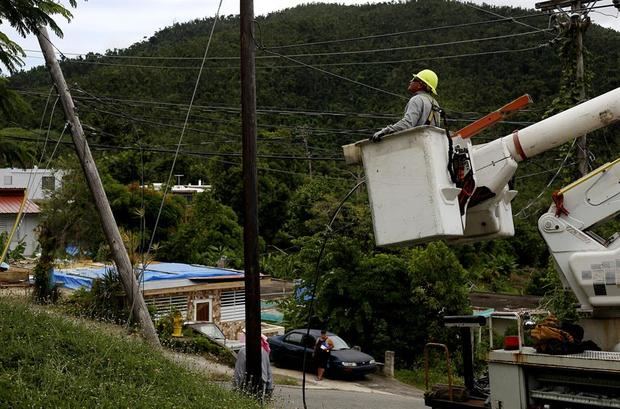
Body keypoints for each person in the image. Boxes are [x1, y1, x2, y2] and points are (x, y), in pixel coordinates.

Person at [370, 69, 441, 142]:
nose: (410, 81)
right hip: (430, 143)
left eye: (414, 79)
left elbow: (407, 123)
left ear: (420, 85)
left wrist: (385, 131)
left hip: (416, 144)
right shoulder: (435, 103)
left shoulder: (417, 99)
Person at [233, 334, 273, 399]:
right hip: (261, 383)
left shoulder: (243, 351)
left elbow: (239, 372)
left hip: (246, 382)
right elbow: (269, 372)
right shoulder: (263, 351)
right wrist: (269, 389)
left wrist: (235, 388)